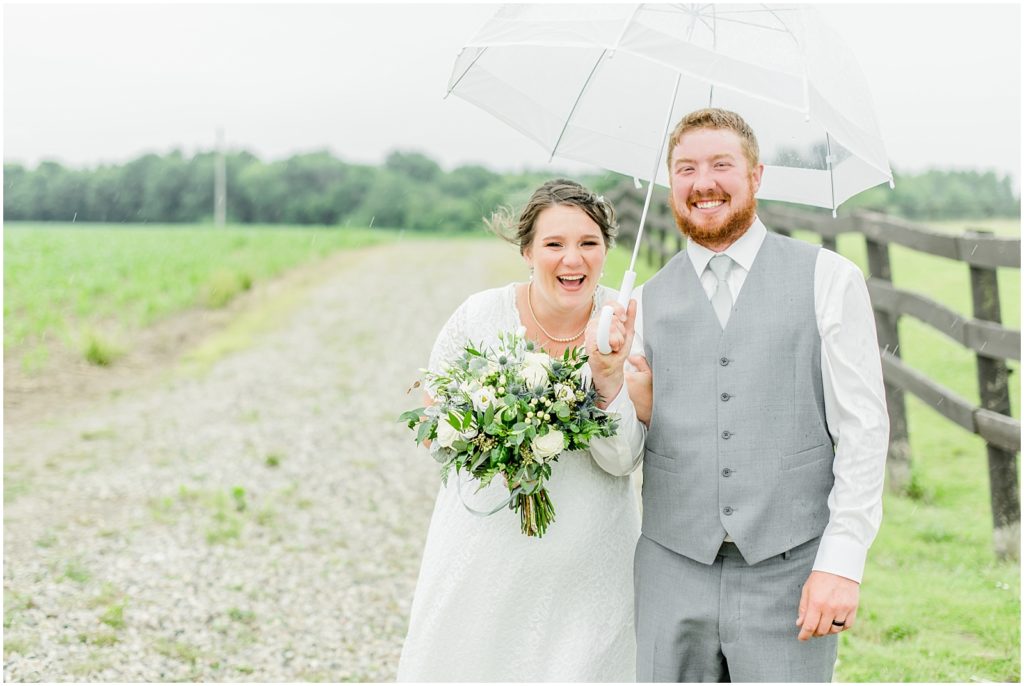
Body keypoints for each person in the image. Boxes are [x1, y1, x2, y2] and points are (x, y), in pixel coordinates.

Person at [587, 108, 889, 682]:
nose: (703, 183)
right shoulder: (643, 303)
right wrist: (607, 383)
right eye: (685, 169)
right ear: (670, 184)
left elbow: (864, 431)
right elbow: (622, 456)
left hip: (791, 571)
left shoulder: (829, 279)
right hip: (672, 570)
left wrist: (842, 564)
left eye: (721, 164)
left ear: (756, 176)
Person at [397, 179, 646, 682]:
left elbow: (623, 459)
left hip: (589, 560)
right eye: (554, 244)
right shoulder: (479, 316)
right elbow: (430, 423)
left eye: (588, 244)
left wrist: (607, 376)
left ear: (606, 250)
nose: (572, 260)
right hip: (485, 547)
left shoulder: (629, 326)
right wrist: (490, 436)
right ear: (527, 250)